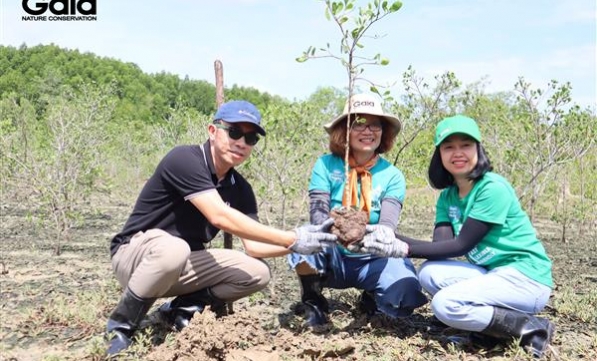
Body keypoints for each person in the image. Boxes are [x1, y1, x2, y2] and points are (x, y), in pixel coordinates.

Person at [105, 100, 337, 356]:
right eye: (234, 132)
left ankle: (180, 310)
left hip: (182, 264)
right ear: (213, 131)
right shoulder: (184, 159)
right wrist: (293, 237)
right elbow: (218, 215)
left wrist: (307, 244)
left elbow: (255, 246)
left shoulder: (241, 188)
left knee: (257, 271)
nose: (241, 143)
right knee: (174, 249)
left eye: (250, 138)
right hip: (136, 257)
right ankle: (121, 327)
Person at [356, 115, 555, 358]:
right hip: (495, 274)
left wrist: (401, 248)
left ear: (478, 150)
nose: (457, 153)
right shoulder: (448, 197)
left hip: (526, 279)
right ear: (439, 154)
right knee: (430, 272)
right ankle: (487, 326)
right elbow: (441, 247)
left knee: (445, 305)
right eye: (449, 147)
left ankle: (530, 329)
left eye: (466, 145)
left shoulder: (492, 188)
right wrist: (385, 234)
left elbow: (460, 246)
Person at [285, 93, 428, 326]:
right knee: (304, 239)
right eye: (358, 123)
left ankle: (372, 296)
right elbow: (318, 211)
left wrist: (380, 234)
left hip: (373, 256)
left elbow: (387, 223)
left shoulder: (392, 176)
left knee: (407, 292)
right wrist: (334, 229)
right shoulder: (326, 164)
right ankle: (313, 300)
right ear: (345, 130)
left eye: (375, 125)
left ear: (384, 132)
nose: (368, 131)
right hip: (334, 255)